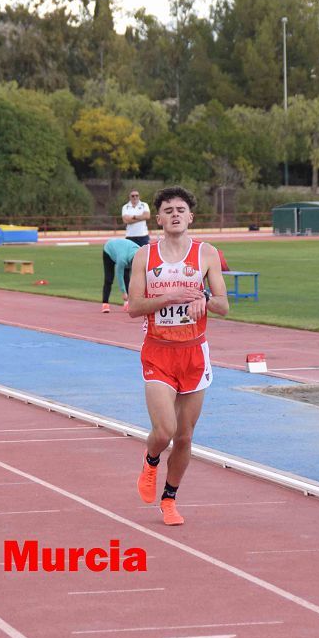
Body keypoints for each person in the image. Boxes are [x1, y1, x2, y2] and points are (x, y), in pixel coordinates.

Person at [128, 186, 229, 526]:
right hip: (158, 352)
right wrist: (169, 298)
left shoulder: (207, 254)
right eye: (168, 209)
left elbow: (223, 306)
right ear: (157, 219)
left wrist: (204, 299)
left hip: (193, 355)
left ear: (190, 217)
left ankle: (169, 500)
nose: (174, 213)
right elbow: (134, 307)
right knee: (165, 430)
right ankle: (151, 459)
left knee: (184, 436)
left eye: (180, 209)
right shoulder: (145, 256)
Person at [101, 237, 140, 313]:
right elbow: (119, 276)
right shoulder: (122, 260)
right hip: (109, 250)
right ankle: (105, 303)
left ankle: (128, 303)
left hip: (125, 250)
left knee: (127, 279)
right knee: (109, 279)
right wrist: (123, 292)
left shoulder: (141, 254)